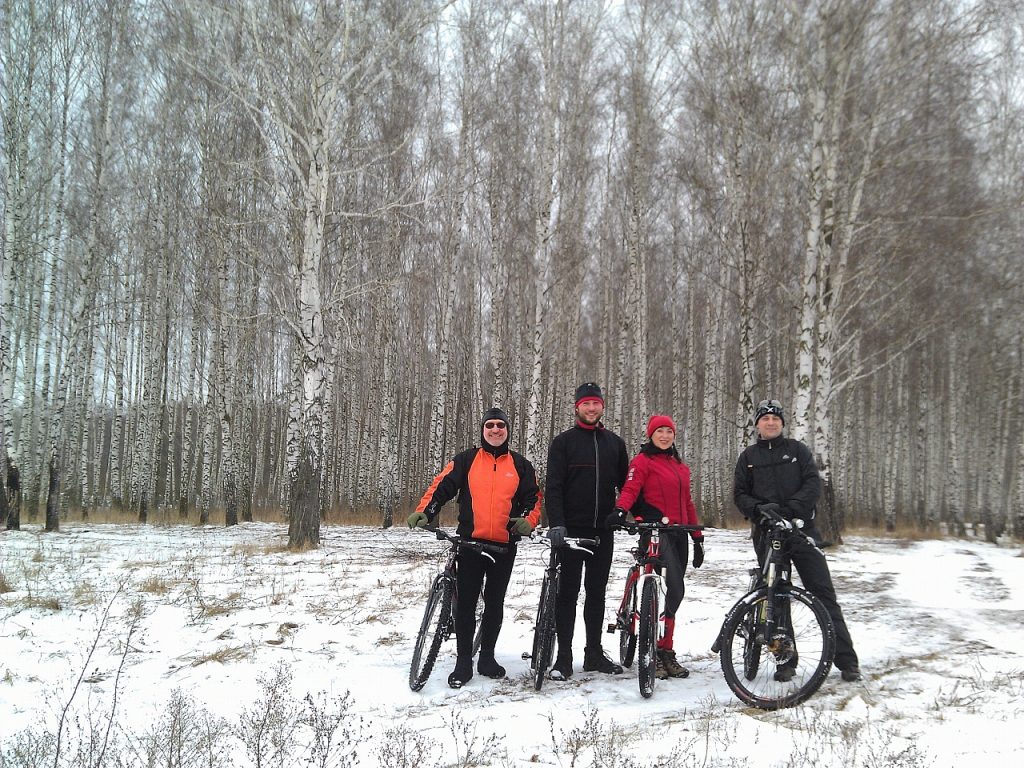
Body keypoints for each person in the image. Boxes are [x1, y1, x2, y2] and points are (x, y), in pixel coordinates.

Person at [408, 407, 541, 688]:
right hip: (469, 543)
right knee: (466, 603)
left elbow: (534, 500)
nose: (495, 430)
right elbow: (441, 487)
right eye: (489, 425)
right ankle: (463, 661)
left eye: (500, 425)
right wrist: (425, 512)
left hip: (503, 546)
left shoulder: (521, 465)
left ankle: (487, 658)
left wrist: (528, 521)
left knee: (494, 602)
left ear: (507, 430)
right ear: (482, 430)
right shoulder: (466, 460)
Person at [732, 398, 862, 682]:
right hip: (767, 534)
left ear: (782, 423)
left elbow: (813, 485)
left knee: (823, 593)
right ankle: (785, 661)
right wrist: (760, 511)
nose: (770, 423)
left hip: (801, 531)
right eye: (765, 419)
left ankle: (847, 661)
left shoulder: (797, 451)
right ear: (757, 424)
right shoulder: (748, 456)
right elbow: (740, 494)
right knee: (776, 597)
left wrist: (790, 510)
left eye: (775, 419)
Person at [608, 414, 704, 679]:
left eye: (669, 431)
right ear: (651, 435)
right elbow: (630, 489)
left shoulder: (681, 467)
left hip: (679, 533)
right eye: (659, 431)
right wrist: (620, 510)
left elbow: (687, 503)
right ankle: (653, 649)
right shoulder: (642, 462)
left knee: (675, 593)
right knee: (671, 586)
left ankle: (665, 650)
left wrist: (697, 538)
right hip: (655, 531)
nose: (664, 436)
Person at [544, 382, 629, 680]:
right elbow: (553, 487)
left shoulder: (615, 444)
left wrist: (625, 514)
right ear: (577, 407)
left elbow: (627, 487)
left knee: (596, 593)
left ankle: (593, 653)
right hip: (570, 532)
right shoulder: (563, 443)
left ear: (602, 407)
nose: (591, 408)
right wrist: (557, 523)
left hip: (602, 532)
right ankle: (563, 658)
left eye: (596, 403)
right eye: (586, 404)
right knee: (567, 594)